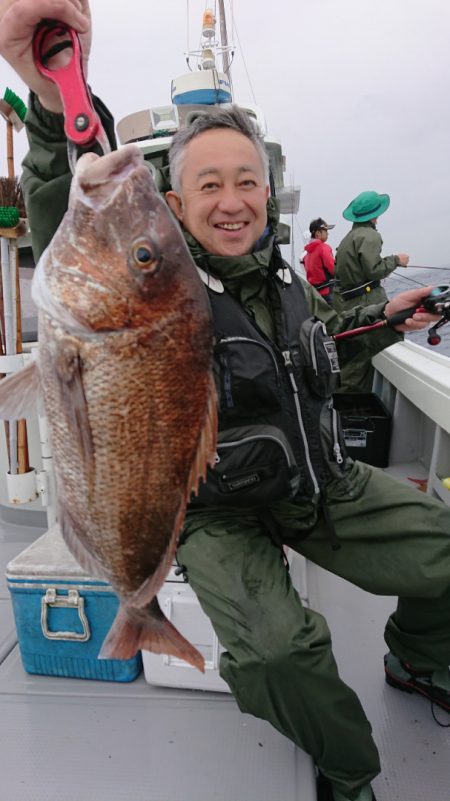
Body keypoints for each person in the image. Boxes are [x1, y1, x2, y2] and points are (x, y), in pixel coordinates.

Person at [1, 5, 450, 801]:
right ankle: (348, 773)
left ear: (269, 190)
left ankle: (417, 655)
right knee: (279, 654)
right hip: (214, 507)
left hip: (319, 481)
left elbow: (321, 349)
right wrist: (49, 95)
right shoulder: (161, 291)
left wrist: (386, 323)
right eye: (208, 184)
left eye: (248, 180)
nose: (233, 199)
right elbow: (64, 204)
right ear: (174, 205)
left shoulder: (286, 279)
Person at [332, 191, 410, 392]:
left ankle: (345, 403)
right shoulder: (370, 235)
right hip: (368, 302)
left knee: (353, 357)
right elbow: (373, 270)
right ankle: (354, 404)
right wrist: (396, 260)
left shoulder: (346, 239)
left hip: (347, 304)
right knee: (367, 354)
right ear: (375, 215)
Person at [303, 217, 336, 305]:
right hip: (328, 292)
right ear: (318, 233)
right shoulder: (323, 248)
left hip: (315, 295)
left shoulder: (307, 254)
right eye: (325, 231)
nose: (328, 233)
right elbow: (333, 269)